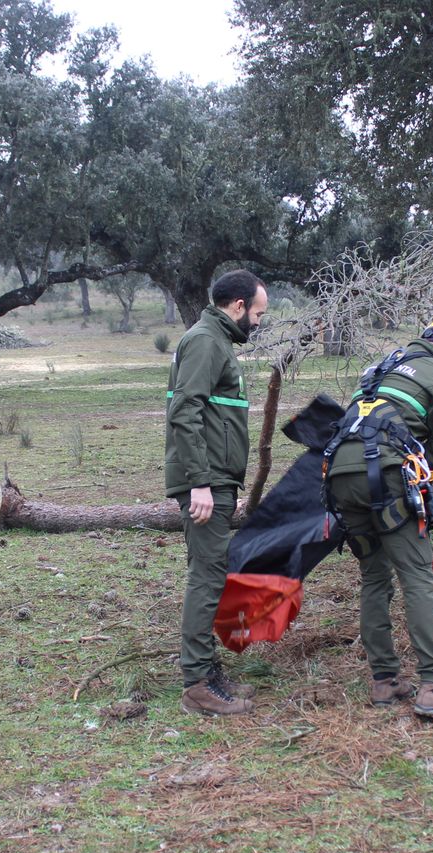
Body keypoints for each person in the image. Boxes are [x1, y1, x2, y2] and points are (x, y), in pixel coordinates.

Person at [322, 314, 433, 726]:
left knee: (374, 577)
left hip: (338, 478)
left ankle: (385, 680)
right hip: (385, 476)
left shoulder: (382, 367)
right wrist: (429, 488)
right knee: (417, 575)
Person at [165, 269, 268, 715]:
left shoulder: (217, 340)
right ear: (239, 306)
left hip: (218, 478)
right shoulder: (206, 340)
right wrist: (199, 483)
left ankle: (207, 671)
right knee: (206, 578)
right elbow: (184, 412)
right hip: (206, 482)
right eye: (259, 313)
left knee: (210, 573)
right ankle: (196, 686)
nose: (260, 323)